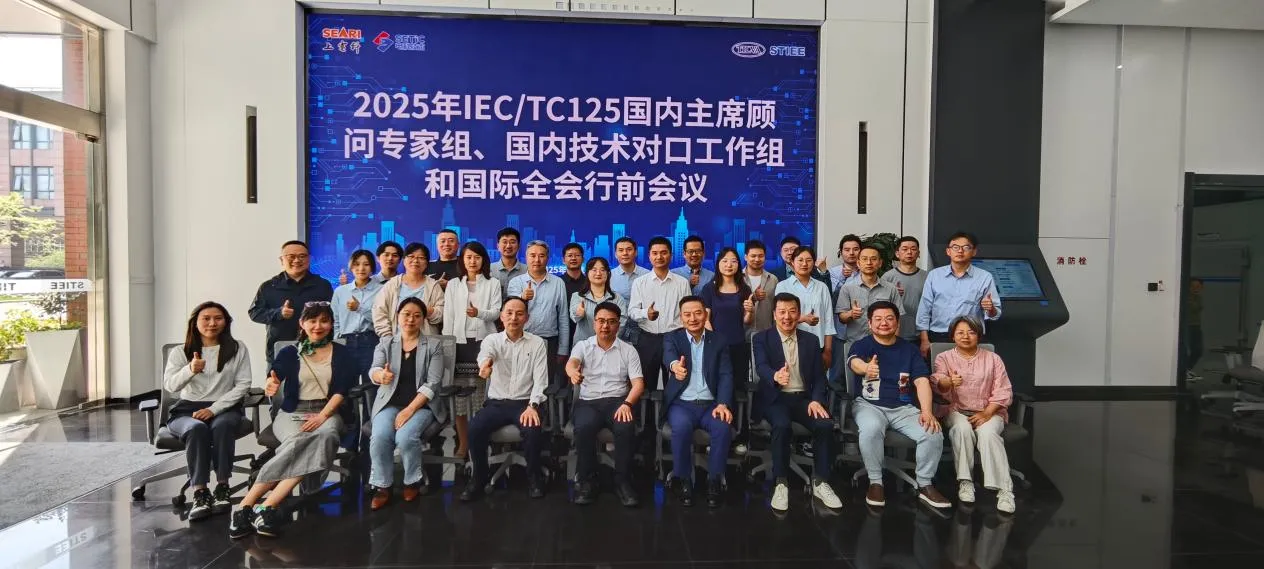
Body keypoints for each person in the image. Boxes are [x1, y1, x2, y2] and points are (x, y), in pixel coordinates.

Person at [229, 303, 355, 539]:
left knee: (326, 434)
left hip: (327, 411)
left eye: (324, 321)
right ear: (302, 323)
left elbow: (341, 390)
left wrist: (322, 416)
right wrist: (271, 384)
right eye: (312, 321)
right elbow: (274, 376)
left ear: (331, 324)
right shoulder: (290, 352)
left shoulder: (342, 353)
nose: (318, 326)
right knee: (299, 441)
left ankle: (262, 506)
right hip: (292, 412)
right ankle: (251, 507)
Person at [849, 300, 951, 510]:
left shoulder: (910, 350)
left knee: (932, 432)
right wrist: (866, 368)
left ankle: (925, 483)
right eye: (878, 319)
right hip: (869, 405)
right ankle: (876, 482)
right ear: (870, 323)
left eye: (889, 319)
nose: (884, 323)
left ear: (897, 323)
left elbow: (922, 381)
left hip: (903, 408)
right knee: (870, 428)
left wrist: (926, 412)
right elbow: (854, 363)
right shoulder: (862, 345)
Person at [752, 293, 842, 512]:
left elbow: (819, 377)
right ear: (774, 315)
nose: (787, 317)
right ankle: (781, 482)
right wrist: (775, 376)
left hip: (803, 399)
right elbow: (761, 366)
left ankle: (820, 482)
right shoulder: (761, 338)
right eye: (782, 312)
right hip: (775, 398)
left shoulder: (810, 340)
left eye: (792, 311)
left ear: (798, 314)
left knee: (824, 424)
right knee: (781, 425)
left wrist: (816, 400)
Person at [163, 301, 252, 521]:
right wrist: (190, 370)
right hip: (187, 410)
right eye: (206, 318)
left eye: (218, 318)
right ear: (195, 322)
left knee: (222, 426)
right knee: (196, 429)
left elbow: (243, 384)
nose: (212, 323)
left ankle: (222, 487)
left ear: (226, 322)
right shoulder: (180, 352)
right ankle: (200, 492)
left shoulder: (237, 348)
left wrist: (213, 409)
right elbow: (171, 386)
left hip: (225, 407)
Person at [461, 297, 549, 501]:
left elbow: (541, 380)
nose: (513, 318)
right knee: (474, 428)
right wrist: (485, 366)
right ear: (501, 316)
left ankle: (534, 478)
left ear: (527, 318)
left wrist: (533, 406)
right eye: (509, 313)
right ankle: (479, 477)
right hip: (497, 404)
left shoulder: (536, 343)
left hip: (525, 403)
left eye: (519, 313)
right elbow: (486, 356)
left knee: (532, 429)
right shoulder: (492, 340)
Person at [364, 298, 446, 510]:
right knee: (380, 436)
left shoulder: (434, 345)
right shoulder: (385, 343)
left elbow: (433, 383)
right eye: (406, 314)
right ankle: (382, 485)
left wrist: (409, 410)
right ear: (397, 316)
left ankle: (412, 481)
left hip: (421, 406)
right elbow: (374, 369)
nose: (411, 319)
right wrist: (380, 375)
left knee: (405, 436)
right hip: (389, 404)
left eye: (417, 316)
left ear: (423, 319)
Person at [565, 302, 645, 507]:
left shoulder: (628, 350)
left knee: (625, 427)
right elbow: (572, 363)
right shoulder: (583, 346)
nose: (605, 326)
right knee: (584, 428)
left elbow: (638, 384)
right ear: (594, 323)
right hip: (588, 401)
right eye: (601, 321)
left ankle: (623, 481)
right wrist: (572, 372)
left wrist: (627, 404)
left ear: (618, 325)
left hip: (618, 401)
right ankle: (587, 480)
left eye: (611, 322)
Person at [933, 316, 1016, 514]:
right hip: (956, 410)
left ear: (979, 335)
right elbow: (937, 381)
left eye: (971, 332)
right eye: (960, 332)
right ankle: (966, 482)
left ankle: (1005, 491)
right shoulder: (943, 358)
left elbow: (1004, 390)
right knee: (961, 429)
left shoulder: (993, 359)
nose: (966, 336)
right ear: (953, 336)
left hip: (990, 410)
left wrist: (987, 413)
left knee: (988, 434)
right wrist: (948, 382)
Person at [662, 296, 734, 508]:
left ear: (705, 315)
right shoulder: (673, 338)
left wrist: (723, 403)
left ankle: (714, 480)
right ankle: (683, 479)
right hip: (681, 404)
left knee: (722, 427)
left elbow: (726, 374)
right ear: (681, 317)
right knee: (681, 428)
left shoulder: (719, 340)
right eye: (687, 314)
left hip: (711, 404)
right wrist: (675, 366)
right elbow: (669, 356)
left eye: (697, 313)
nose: (692, 318)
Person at [443, 241, 504, 458]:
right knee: (460, 399)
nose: (472, 261)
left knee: (481, 397)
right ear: (462, 260)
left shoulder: (493, 283)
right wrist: (447, 346)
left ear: (483, 260)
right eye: (468, 257)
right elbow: (448, 316)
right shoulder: (453, 284)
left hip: (483, 343)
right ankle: (463, 443)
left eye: (477, 257)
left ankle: (482, 443)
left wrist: (479, 313)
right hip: (458, 345)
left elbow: (496, 313)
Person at [915, 231, 1001, 357]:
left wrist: (991, 308)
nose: (960, 251)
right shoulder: (935, 275)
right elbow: (924, 309)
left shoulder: (984, 277)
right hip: (939, 335)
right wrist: (924, 340)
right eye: (955, 247)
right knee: (939, 369)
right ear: (948, 251)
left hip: (970, 336)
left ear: (974, 251)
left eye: (966, 247)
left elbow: (995, 314)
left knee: (971, 369)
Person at [248, 240, 334, 365]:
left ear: (309, 259)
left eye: (302, 256)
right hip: (280, 350)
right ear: (282, 260)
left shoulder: (322, 285)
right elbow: (254, 313)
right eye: (291, 256)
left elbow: (333, 315)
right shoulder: (269, 286)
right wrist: (279, 313)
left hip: (317, 350)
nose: (297, 260)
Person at [629, 236, 691, 391]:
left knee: (676, 381)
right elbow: (632, 311)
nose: (659, 257)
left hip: (675, 337)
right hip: (648, 338)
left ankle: (671, 407)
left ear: (671, 255)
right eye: (655, 253)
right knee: (646, 382)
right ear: (649, 256)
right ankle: (648, 408)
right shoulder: (640, 282)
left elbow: (688, 311)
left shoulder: (682, 283)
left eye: (663, 253)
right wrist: (646, 313)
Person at [834, 245, 903, 383]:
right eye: (864, 259)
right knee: (854, 384)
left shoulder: (890, 289)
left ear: (880, 263)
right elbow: (841, 317)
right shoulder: (848, 288)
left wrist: (894, 345)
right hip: (856, 345)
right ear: (858, 263)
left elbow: (897, 318)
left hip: (884, 345)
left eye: (873, 259)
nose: (869, 263)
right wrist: (850, 314)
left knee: (884, 382)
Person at [508, 241, 570, 390]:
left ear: (547, 258)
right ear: (526, 257)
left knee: (546, 385)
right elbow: (510, 314)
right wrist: (522, 298)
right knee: (522, 384)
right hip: (521, 340)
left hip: (549, 341)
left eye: (541, 256)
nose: (537, 260)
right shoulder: (516, 282)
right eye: (533, 255)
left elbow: (563, 317)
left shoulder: (558, 283)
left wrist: (563, 349)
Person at [699, 248, 753, 392]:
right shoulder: (709, 288)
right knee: (716, 383)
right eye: (725, 261)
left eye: (733, 261)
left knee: (738, 384)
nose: (729, 265)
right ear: (718, 264)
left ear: (738, 264)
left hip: (738, 344)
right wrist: (715, 341)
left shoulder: (744, 289)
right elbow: (705, 319)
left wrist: (749, 311)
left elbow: (747, 321)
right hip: (715, 345)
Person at [773, 246, 835, 369]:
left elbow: (829, 321)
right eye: (800, 260)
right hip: (791, 344)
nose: (804, 264)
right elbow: (779, 318)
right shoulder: (783, 286)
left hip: (818, 346)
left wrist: (828, 350)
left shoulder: (822, 287)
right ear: (792, 262)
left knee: (817, 378)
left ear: (814, 263)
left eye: (809, 260)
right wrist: (802, 319)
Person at [372, 242, 444, 338]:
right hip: (396, 341)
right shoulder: (392, 284)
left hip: (426, 342)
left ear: (427, 263)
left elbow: (442, 314)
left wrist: (427, 311)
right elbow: (379, 313)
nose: (415, 260)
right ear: (404, 260)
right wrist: (388, 338)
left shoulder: (433, 286)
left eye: (421, 258)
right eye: (411, 256)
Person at [331, 250, 382, 383]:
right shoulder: (340, 291)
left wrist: (359, 308)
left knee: (370, 384)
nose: (361, 268)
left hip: (370, 340)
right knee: (345, 383)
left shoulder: (381, 290)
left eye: (366, 264)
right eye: (357, 264)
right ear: (351, 267)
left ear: (372, 267)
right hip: (346, 341)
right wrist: (337, 341)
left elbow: (381, 319)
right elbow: (335, 320)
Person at [570, 257, 628, 344]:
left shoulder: (617, 298)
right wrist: (579, 314)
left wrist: (606, 341)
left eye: (602, 270)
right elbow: (574, 317)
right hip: (583, 346)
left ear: (608, 273)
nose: (598, 273)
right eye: (594, 270)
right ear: (587, 273)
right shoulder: (578, 296)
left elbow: (622, 324)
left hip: (609, 345)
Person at [881, 236, 928, 341]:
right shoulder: (887, 277)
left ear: (919, 253)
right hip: (894, 333)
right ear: (897, 254)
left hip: (920, 334)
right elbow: (880, 305)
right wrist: (892, 294)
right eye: (905, 249)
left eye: (913, 249)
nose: (909, 252)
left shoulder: (928, 277)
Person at [743, 239, 779, 336]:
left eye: (761, 256)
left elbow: (776, 307)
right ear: (746, 257)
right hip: (742, 334)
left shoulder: (773, 279)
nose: (757, 259)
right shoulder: (737, 279)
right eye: (753, 256)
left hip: (766, 333)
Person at [560, 243, 588, 344]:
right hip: (561, 331)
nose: (573, 258)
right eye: (570, 255)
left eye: (577, 255)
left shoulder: (590, 282)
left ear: (583, 259)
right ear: (563, 260)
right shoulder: (558, 282)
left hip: (585, 331)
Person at [610, 236, 650, 301]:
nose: (625, 253)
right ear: (615, 254)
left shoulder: (647, 274)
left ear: (636, 252)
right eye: (621, 250)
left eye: (629, 249)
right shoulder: (609, 276)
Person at [490, 227, 526, 298]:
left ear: (518, 246)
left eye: (512, 242)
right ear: (498, 246)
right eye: (504, 242)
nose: (508, 246)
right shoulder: (489, 269)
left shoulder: (527, 271)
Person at [1186, 278, 1205, 381]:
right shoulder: (1185, 298)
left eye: (1198, 286)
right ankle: (1184, 372)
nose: (1195, 289)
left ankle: (1186, 370)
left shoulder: (1198, 298)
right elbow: (1194, 308)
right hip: (1187, 327)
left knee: (1198, 350)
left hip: (1196, 326)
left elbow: (1198, 308)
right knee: (1185, 350)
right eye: (1192, 286)